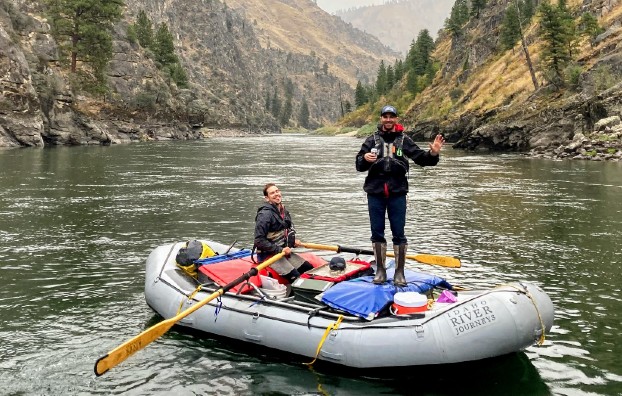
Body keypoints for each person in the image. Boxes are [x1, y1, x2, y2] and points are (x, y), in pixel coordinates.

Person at [355, 105, 445, 287]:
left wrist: (433, 153)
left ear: (396, 119)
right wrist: (364, 159)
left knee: (399, 233)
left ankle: (399, 272)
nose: (388, 120)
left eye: (391, 117)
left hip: (397, 193)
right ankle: (380, 270)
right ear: (381, 119)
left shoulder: (404, 140)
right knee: (377, 232)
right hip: (375, 192)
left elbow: (422, 158)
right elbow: (358, 164)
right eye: (385, 117)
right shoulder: (371, 140)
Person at [253, 183, 313, 283]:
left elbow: (288, 230)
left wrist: (293, 241)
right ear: (267, 198)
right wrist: (280, 249)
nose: (276, 194)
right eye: (272, 193)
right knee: (296, 277)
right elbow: (259, 240)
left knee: (308, 269)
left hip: (283, 252)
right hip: (269, 255)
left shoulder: (283, 210)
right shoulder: (264, 215)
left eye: (277, 191)